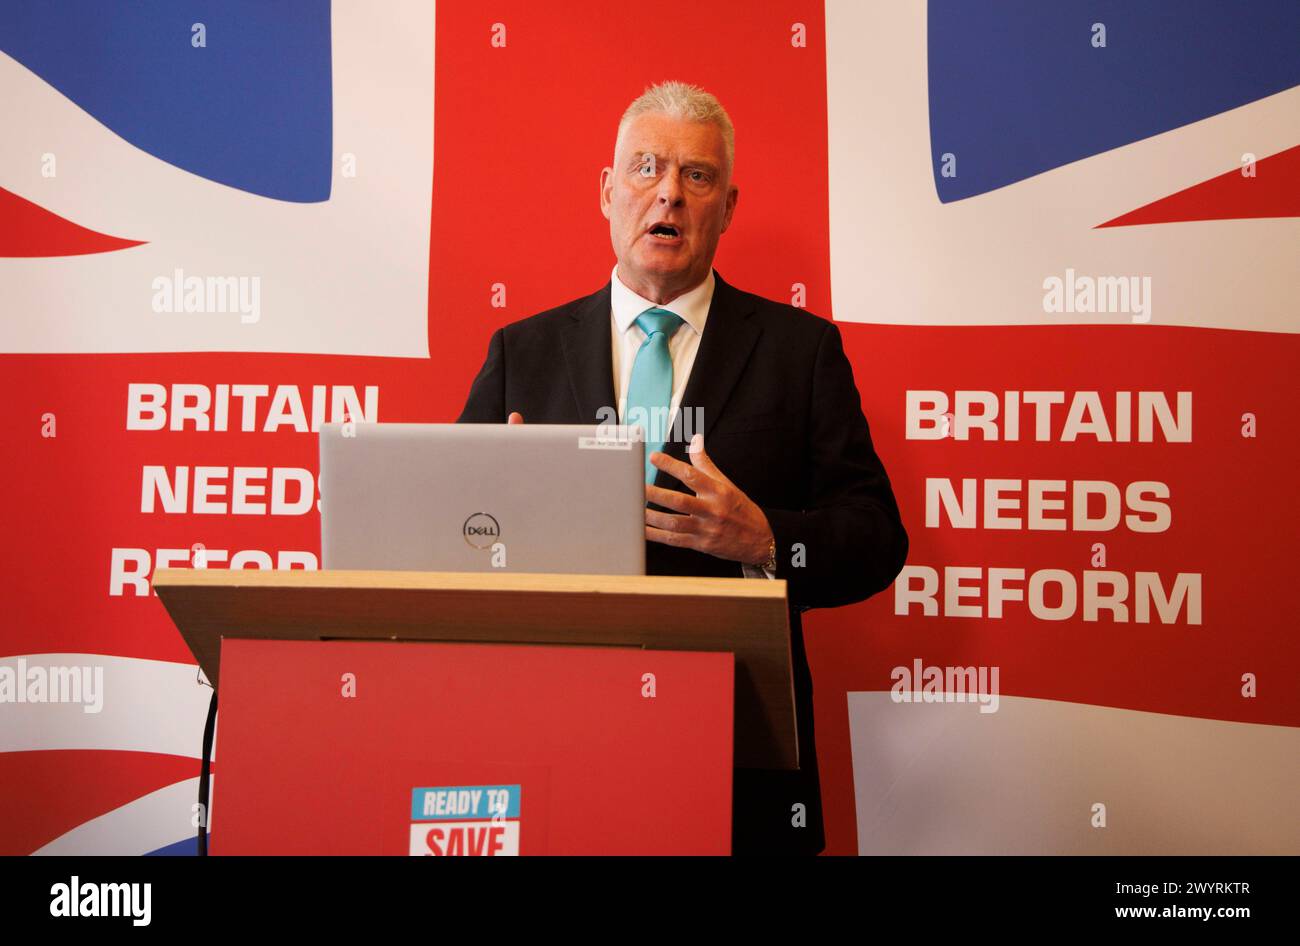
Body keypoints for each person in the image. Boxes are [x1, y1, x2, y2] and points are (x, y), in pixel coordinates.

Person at [458, 80, 908, 855]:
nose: (668, 193)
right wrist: (499, 517)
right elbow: (448, 537)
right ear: (606, 192)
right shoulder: (521, 354)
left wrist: (766, 540)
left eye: (696, 177)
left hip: (737, 745)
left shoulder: (800, 353)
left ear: (728, 206)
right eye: (645, 168)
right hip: (550, 732)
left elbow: (875, 538)